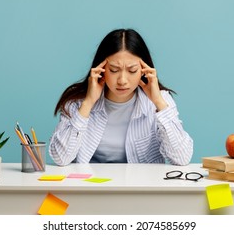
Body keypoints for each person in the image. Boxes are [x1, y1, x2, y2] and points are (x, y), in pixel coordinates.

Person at [49, 29, 193, 166]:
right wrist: (88, 102)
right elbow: (61, 158)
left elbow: (182, 158)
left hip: (139, 188)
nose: (122, 80)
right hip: (90, 188)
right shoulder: (78, 101)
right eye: (114, 70)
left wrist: (158, 102)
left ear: (144, 70)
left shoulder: (161, 100)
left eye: (132, 70)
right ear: (101, 69)